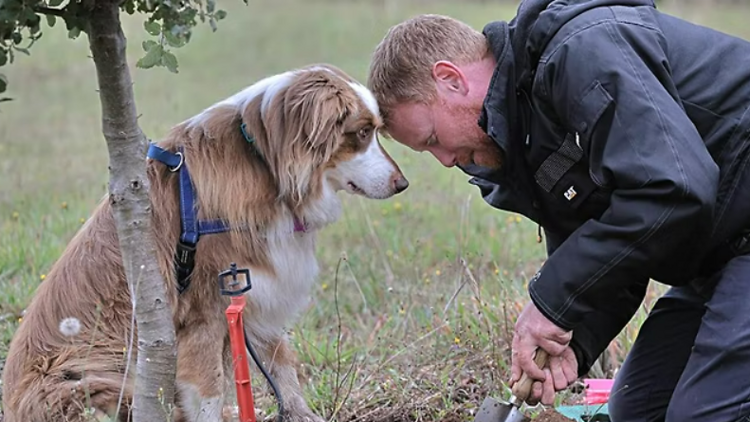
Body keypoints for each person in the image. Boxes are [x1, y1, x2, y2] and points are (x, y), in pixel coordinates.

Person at [366, 0, 750, 420]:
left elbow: (672, 190)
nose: (443, 159)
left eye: (432, 138)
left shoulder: (582, 51)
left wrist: (550, 300)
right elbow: (623, 253)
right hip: (722, 258)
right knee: (638, 411)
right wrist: (570, 339)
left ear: (451, 79)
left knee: (704, 415)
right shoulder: (527, 135)